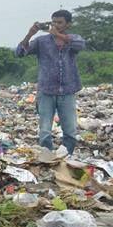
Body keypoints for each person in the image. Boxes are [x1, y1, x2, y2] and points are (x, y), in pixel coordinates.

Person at [16, 9, 86, 154]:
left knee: (70, 131)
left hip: (67, 91)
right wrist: (30, 34)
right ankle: (47, 159)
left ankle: (67, 158)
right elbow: (20, 52)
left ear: (68, 24)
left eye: (60, 22)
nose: (55, 25)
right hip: (46, 91)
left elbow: (80, 45)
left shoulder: (73, 39)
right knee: (45, 131)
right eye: (53, 22)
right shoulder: (42, 41)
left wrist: (58, 35)